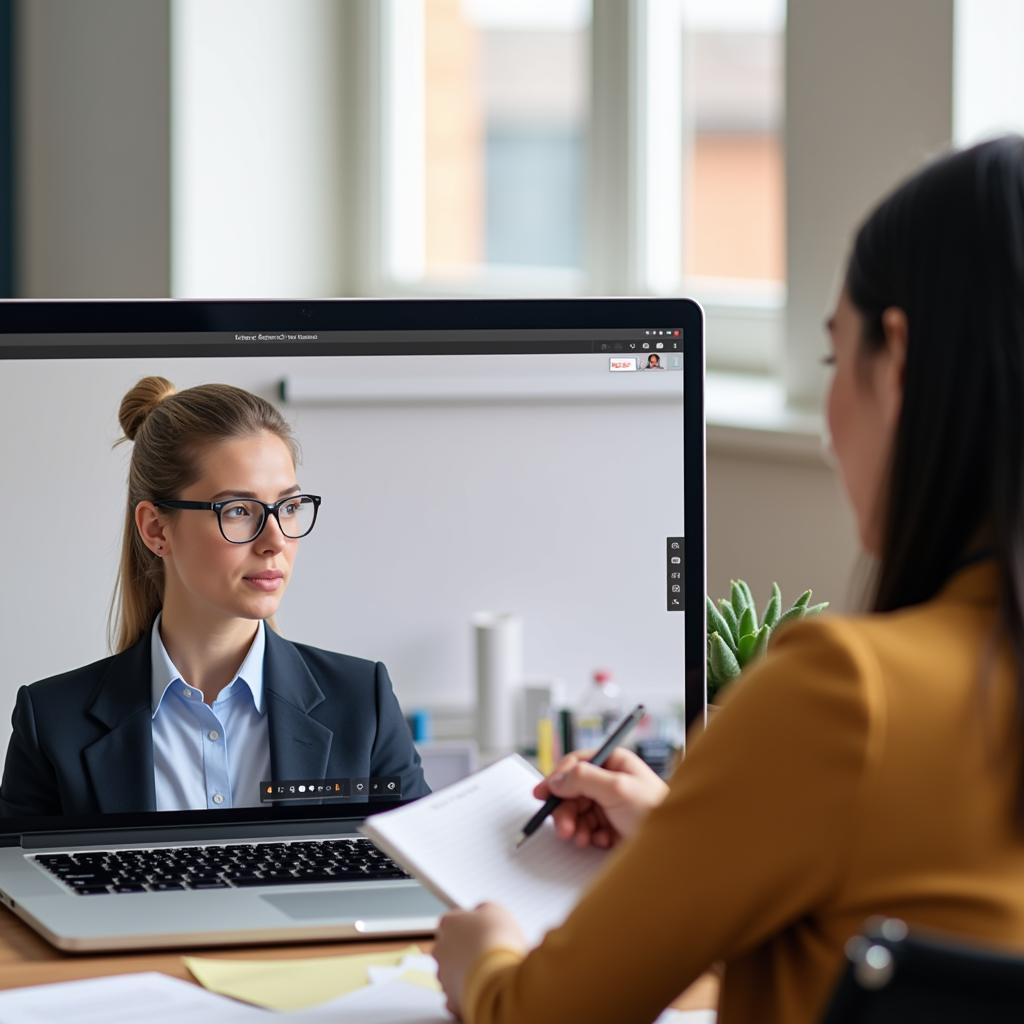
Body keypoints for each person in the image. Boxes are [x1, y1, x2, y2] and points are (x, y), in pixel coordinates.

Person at [433, 135, 1024, 1023]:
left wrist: (484, 961)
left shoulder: (848, 695)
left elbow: (541, 1014)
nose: (829, 423)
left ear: (895, 363)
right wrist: (693, 835)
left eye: (833, 359)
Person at [0, 376, 429, 817]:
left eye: (288, 507)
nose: (275, 540)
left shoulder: (362, 702)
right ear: (156, 529)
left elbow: (425, 871)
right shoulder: (52, 722)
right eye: (239, 511)